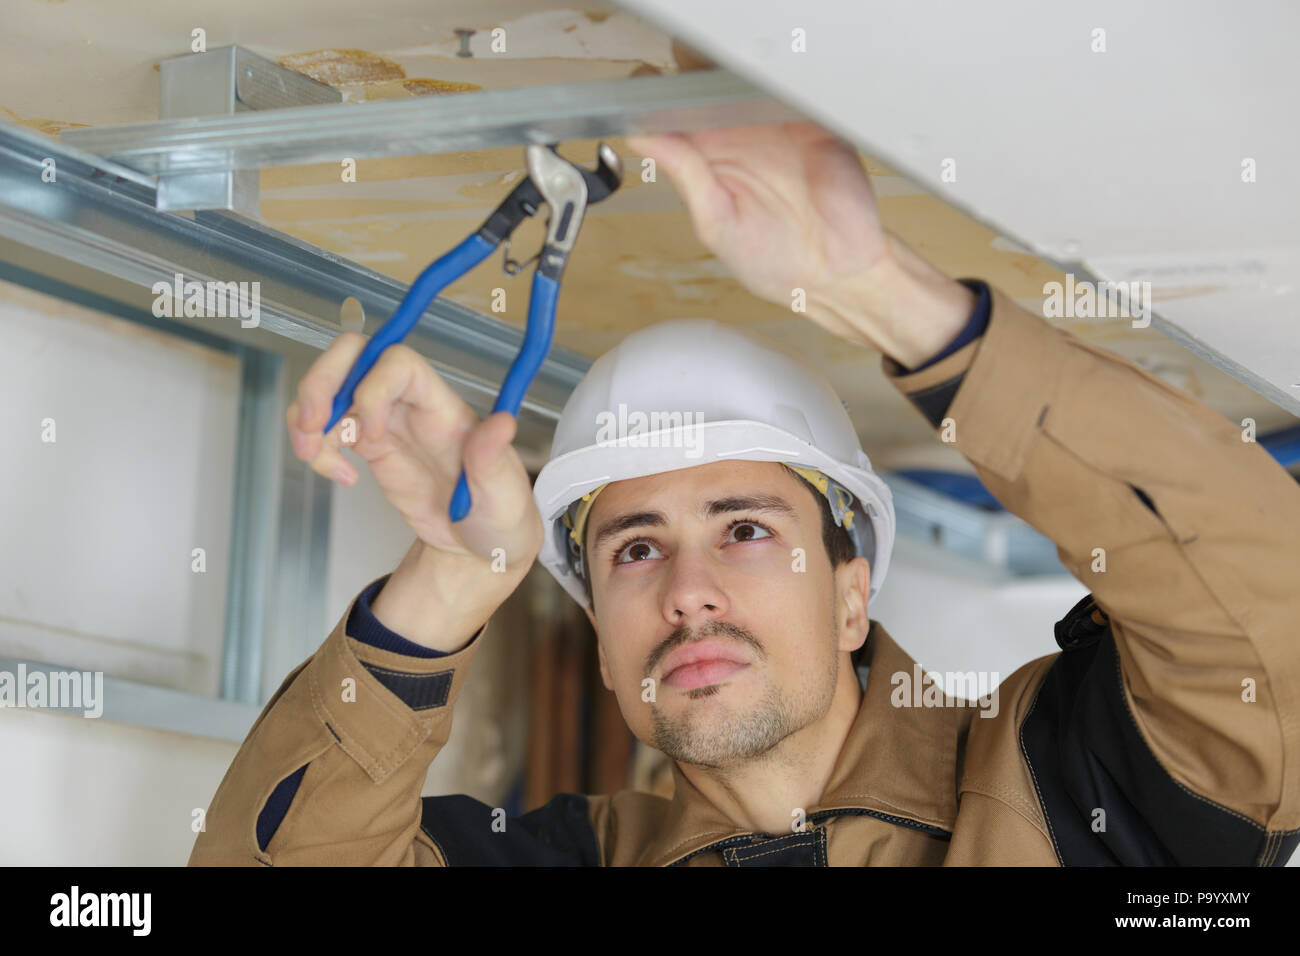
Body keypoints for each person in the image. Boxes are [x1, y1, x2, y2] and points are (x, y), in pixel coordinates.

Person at [190, 122, 1300, 866]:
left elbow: (1269, 642)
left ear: (852, 588)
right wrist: (452, 574)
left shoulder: (1075, 785)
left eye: (747, 528)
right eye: (632, 547)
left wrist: (884, 294)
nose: (689, 592)